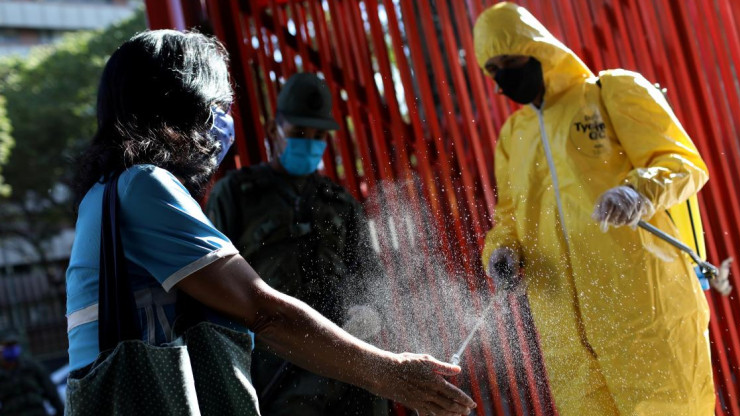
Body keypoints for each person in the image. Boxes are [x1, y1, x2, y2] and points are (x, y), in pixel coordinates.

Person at [67, 30, 475, 416]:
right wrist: (389, 372)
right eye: (217, 108)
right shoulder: (144, 186)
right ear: (180, 106)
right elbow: (264, 311)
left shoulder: (106, 194)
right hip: (282, 380)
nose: (222, 124)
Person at [473, 3, 713, 415]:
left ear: (538, 48)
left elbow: (682, 163)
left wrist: (639, 193)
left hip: (646, 318)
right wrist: (500, 251)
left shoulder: (611, 92)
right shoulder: (514, 135)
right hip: (567, 341)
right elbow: (509, 217)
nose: (504, 76)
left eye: (511, 60)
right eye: (493, 69)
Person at [206, 72, 386, 415]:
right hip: (275, 369)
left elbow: (370, 276)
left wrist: (371, 312)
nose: (310, 141)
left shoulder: (340, 202)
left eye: (319, 135)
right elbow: (213, 285)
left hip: (349, 364)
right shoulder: (238, 195)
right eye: (299, 132)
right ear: (275, 129)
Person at [0, 329, 64, 416]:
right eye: (8, 345)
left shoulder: (31, 367)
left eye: (14, 345)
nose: (12, 348)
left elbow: (51, 392)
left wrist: (61, 412)